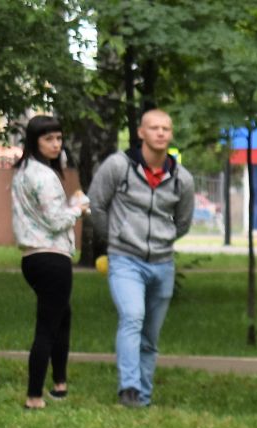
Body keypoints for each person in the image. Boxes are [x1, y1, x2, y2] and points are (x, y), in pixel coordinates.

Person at [87, 107, 195, 409]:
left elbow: (184, 221)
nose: (161, 133)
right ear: (141, 133)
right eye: (154, 127)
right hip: (125, 259)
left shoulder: (181, 178)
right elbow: (96, 205)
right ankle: (129, 387)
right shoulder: (118, 166)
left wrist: (163, 239)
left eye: (166, 128)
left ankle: (142, 400)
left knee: (150, 336)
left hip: (163, 263)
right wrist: (116, 237)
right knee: (132, 316)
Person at [9, 115, 87, 410]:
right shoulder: (42, 175)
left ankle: (60, 384)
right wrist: (78, 207)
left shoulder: (23, 172)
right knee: (48, 326)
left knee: (61, 317)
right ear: (34, 141)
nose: (56, 145)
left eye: (58, 138)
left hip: (32, 257)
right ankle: (33, 396)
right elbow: (56, 221)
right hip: (51, 258)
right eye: (48, 139)